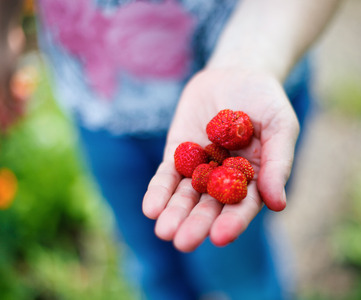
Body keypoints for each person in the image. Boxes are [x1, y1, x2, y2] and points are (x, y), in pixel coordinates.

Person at [1, 0, 341, 299]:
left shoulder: (230, 142)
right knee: (150, 260)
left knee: (236, 267)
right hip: (100, 111)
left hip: (251, 66)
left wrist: (251, 61)